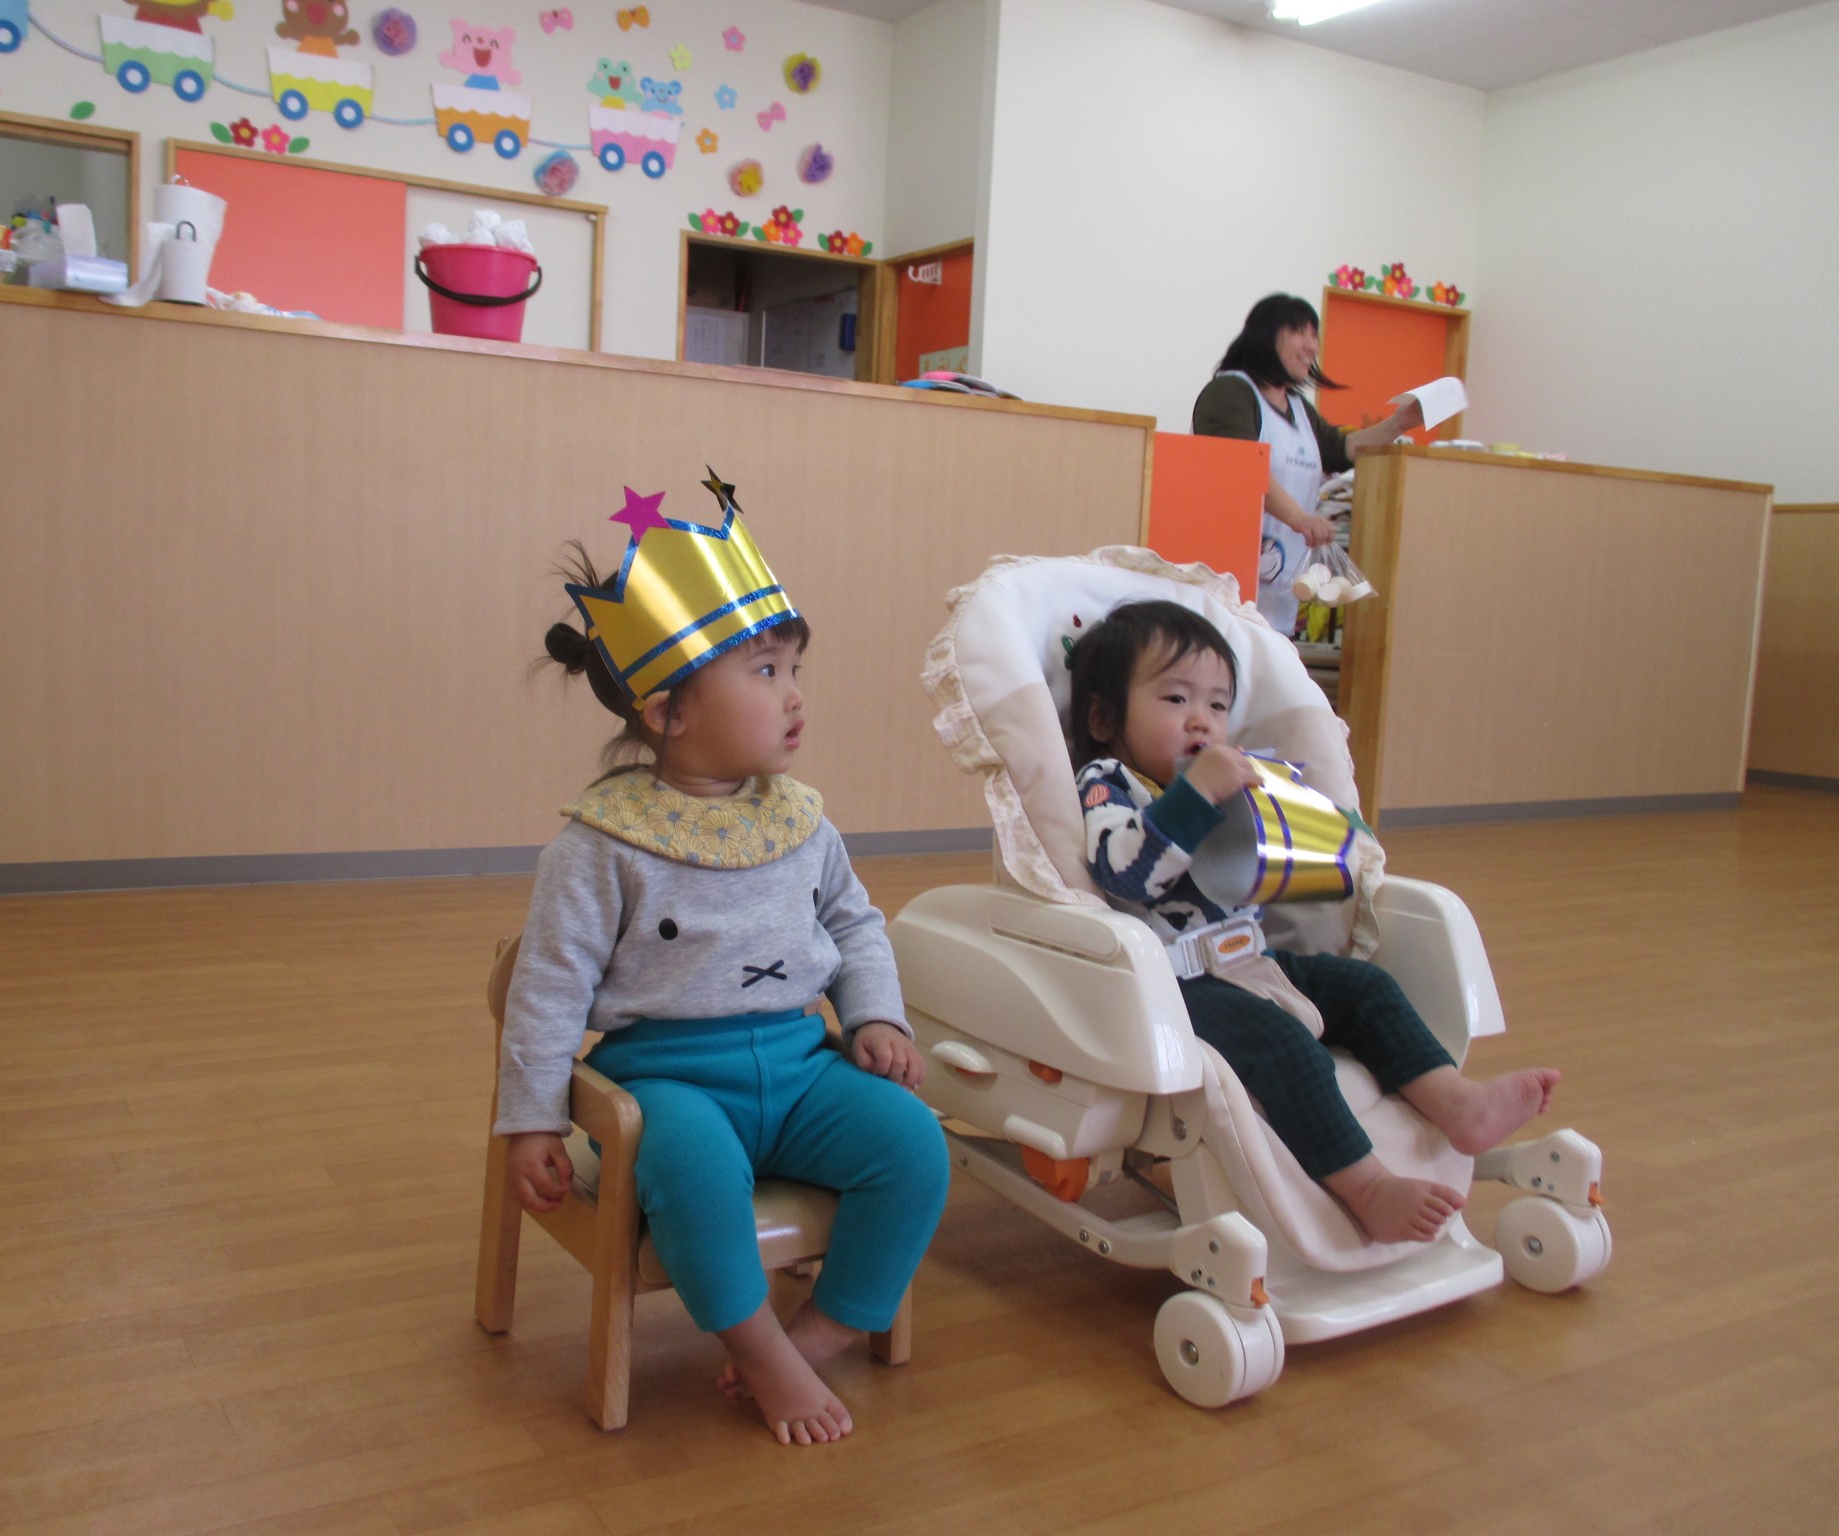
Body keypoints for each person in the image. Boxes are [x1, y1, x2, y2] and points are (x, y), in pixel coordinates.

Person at [497, 472, 949, 1447]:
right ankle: (760, 1350)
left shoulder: (801, 820)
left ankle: (830, 1325)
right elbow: (547, 986)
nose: (794, 696)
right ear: (666, 713)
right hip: (669, 1082)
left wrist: (876, 1015)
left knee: (914, 1144)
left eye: (794, 669)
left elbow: (855, 926)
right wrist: (530, 1119)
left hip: (800, 1067)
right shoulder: (600, 844)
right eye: (764, 672)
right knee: (695, 1173)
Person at [1066, 598, 1558, 1244]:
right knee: (1283, 1046)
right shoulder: (1107, 783)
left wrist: (1313, 828)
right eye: (1176, 699)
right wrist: (1196, 795)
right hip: (1176, 987)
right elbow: (1124, 873)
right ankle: (1368, 1187)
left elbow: (1289, 869)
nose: (1202, 720)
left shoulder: (1227, 779)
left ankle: (1457, 1102)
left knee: (1366, 988)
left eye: (1218, 705)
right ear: (1103, 718)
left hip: (1253, 961)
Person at [1192, 294, 1421, 635]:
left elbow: (1343, 449)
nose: (1312, 346)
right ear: (1266, 335)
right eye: (1300, 332)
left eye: (1315, 335)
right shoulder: (1229, 393)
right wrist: (1300, 519)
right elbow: (1243, 469)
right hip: (1223, 588)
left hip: (1278, 594)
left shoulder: (1299, 407)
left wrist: (1399, 423)